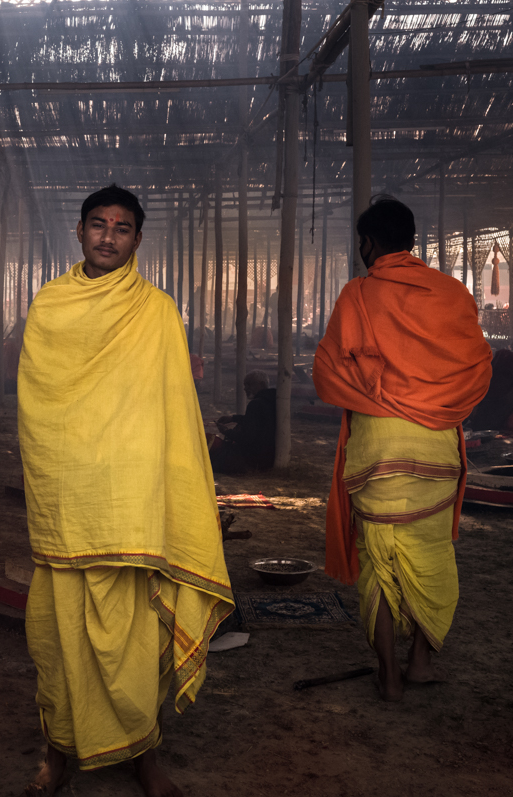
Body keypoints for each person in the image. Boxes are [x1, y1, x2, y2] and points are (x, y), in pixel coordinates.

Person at [17, 184, 234, 797]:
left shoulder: (158, 310)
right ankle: (57, 752)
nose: (107, 236)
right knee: (59, 633)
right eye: (98, 224)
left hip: (132, 497)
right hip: (69, 492)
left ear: (138, 239)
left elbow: (174, 408)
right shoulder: (50, 304)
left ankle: (144, 753)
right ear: (79, 231)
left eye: (121, 228)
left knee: (136, 633)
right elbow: (37, 402)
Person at [315, 197, 491, 702]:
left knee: (379, 564)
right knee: (431, 559)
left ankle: (388, 675)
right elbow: (479, 367)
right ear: (411, 241)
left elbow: (327, 373)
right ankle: (420, 665)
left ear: (368, 244)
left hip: (376, 452)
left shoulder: (358, 294)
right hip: (436, 454)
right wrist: (433, 401)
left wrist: (376, 394)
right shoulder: (453, 294)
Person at [208, 370, 276, 474]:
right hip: (268, 458)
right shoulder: (273, 400)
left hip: (251, 460)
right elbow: (259, 422)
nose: (245, 388)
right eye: (245, 385)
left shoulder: (255, 404)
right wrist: (233, 418)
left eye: (249, 384)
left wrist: (227, 432)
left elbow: (248, 438)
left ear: (262, 384)